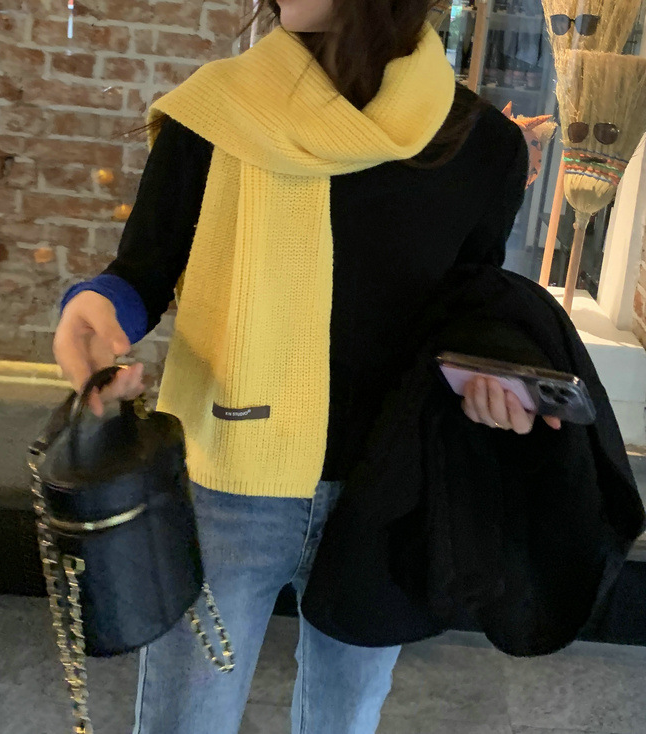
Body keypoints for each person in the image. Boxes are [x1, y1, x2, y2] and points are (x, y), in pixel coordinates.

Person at [53, 1, 561, 731]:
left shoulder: (481, 144)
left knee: (343, 719)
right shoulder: (218, 112)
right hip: (227, 481)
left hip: (385, 491)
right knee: (182, 721)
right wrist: (97, 307)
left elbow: (468, 305)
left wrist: (490, 376)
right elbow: (143, 270)